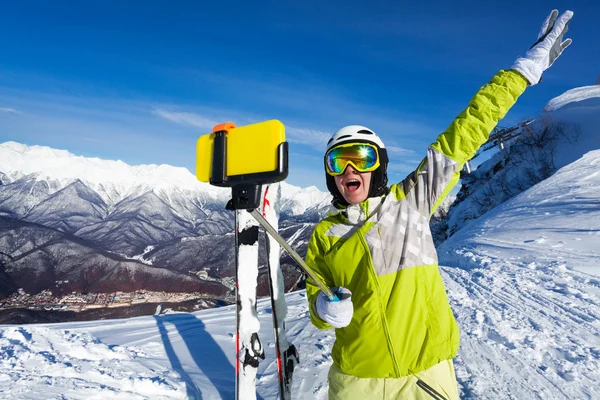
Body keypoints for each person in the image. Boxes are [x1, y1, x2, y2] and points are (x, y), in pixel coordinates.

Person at [305, 9, 573, 400]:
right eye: (338, 161)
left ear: (378, 164)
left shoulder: (412, 201)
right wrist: (322, 310)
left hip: (425, 374)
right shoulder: (324, 235)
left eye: (361, 157)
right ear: (330, 173)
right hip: (357, 379)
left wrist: (522, 72)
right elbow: (317, 298)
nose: (350, 169)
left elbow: (466, 131)